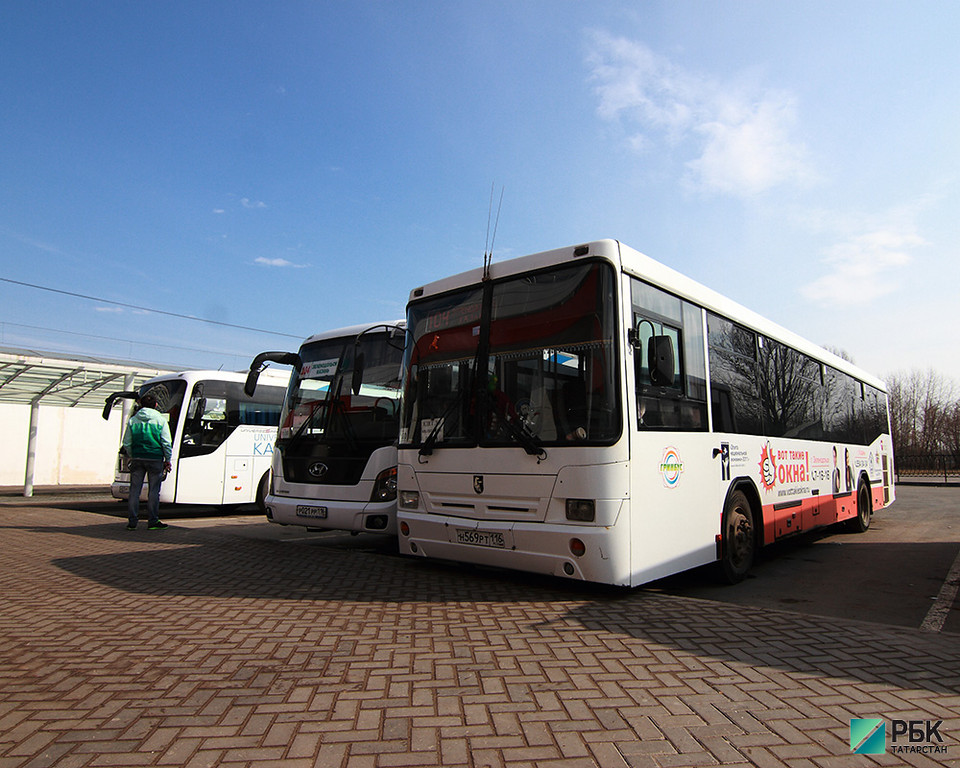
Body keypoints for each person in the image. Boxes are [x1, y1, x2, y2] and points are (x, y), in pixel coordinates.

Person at [122, 393, 172, 530]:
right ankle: (153, 521)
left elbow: (126, 443)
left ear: (141, 405)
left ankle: (132, 522)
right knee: (153, 491)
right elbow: (166, 442)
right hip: (155, 459)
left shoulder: (133, 420)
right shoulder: (160, 420)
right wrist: (167, 459)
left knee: (134, 491)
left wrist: (133, 455)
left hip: (138, 459)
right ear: (156, 405)